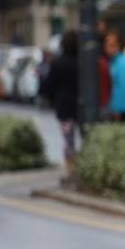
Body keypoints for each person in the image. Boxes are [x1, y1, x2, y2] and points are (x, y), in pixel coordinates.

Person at [41, 30, 81, 176]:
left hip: (64, 107)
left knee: (68, 140)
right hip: (81, 106)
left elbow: (48, 85)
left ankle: (71, 168)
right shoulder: (83, 62)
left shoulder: (57, 63)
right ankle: (82, 166)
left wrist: (51, 100)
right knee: (86, 136)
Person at [105, 30, 125, 122]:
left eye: (112, 45)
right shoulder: (113, 61)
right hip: (117, 107)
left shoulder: (123, 63)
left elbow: (123, 88)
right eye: (107, 44)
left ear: (119, 45)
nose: (108, 48)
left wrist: (117, 110)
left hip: (121, 108)